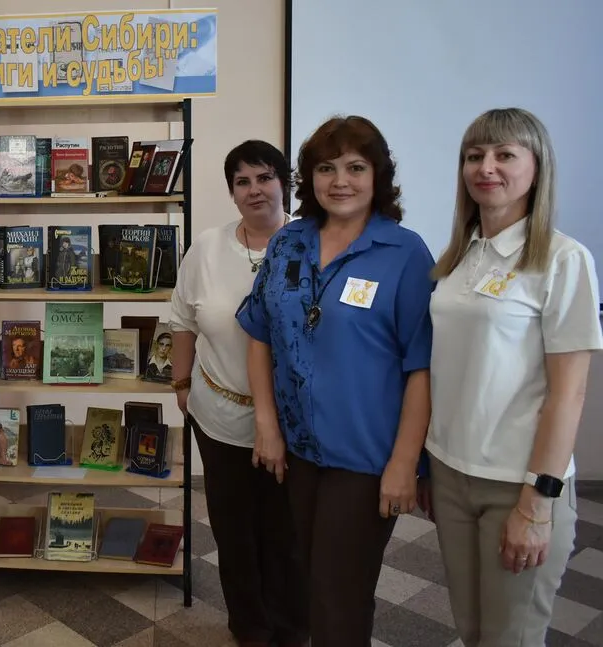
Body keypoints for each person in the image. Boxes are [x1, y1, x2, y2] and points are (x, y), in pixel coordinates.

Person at [236, 116, 436, 647]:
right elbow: (259, 332)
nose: (340, 181)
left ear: (378, 175)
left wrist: (405, 463)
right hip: (300, 448)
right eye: (326, 168)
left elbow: (422, 366)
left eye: (355, 167)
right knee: (314, 579)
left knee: (337, 592)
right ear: (309, 178)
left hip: (367, 456)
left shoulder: (405, 253)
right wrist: (267, 426)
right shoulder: (288, 242)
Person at [425, 107, 602, 646]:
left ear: (537, 166)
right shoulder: (459, 257)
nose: (486, 167)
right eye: (474, 156)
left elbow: (569, 395)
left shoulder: (563, 259)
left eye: (505, 154)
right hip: (451, 474)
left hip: (519, 483)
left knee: (511, 639)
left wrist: (538, 502)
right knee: (472, 630)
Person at [169, 139, 307, 647]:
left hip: (294, 424)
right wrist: (182, 384)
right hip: (218, 415)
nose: (254, 190)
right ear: (231, 191)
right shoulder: (206, 247)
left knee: (286, 534)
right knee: (234, 532)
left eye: (265, 177)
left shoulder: (311, 244)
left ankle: (291, 628)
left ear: (284, 183)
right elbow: (182, 320)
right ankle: (248, 626)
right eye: (242, 181)